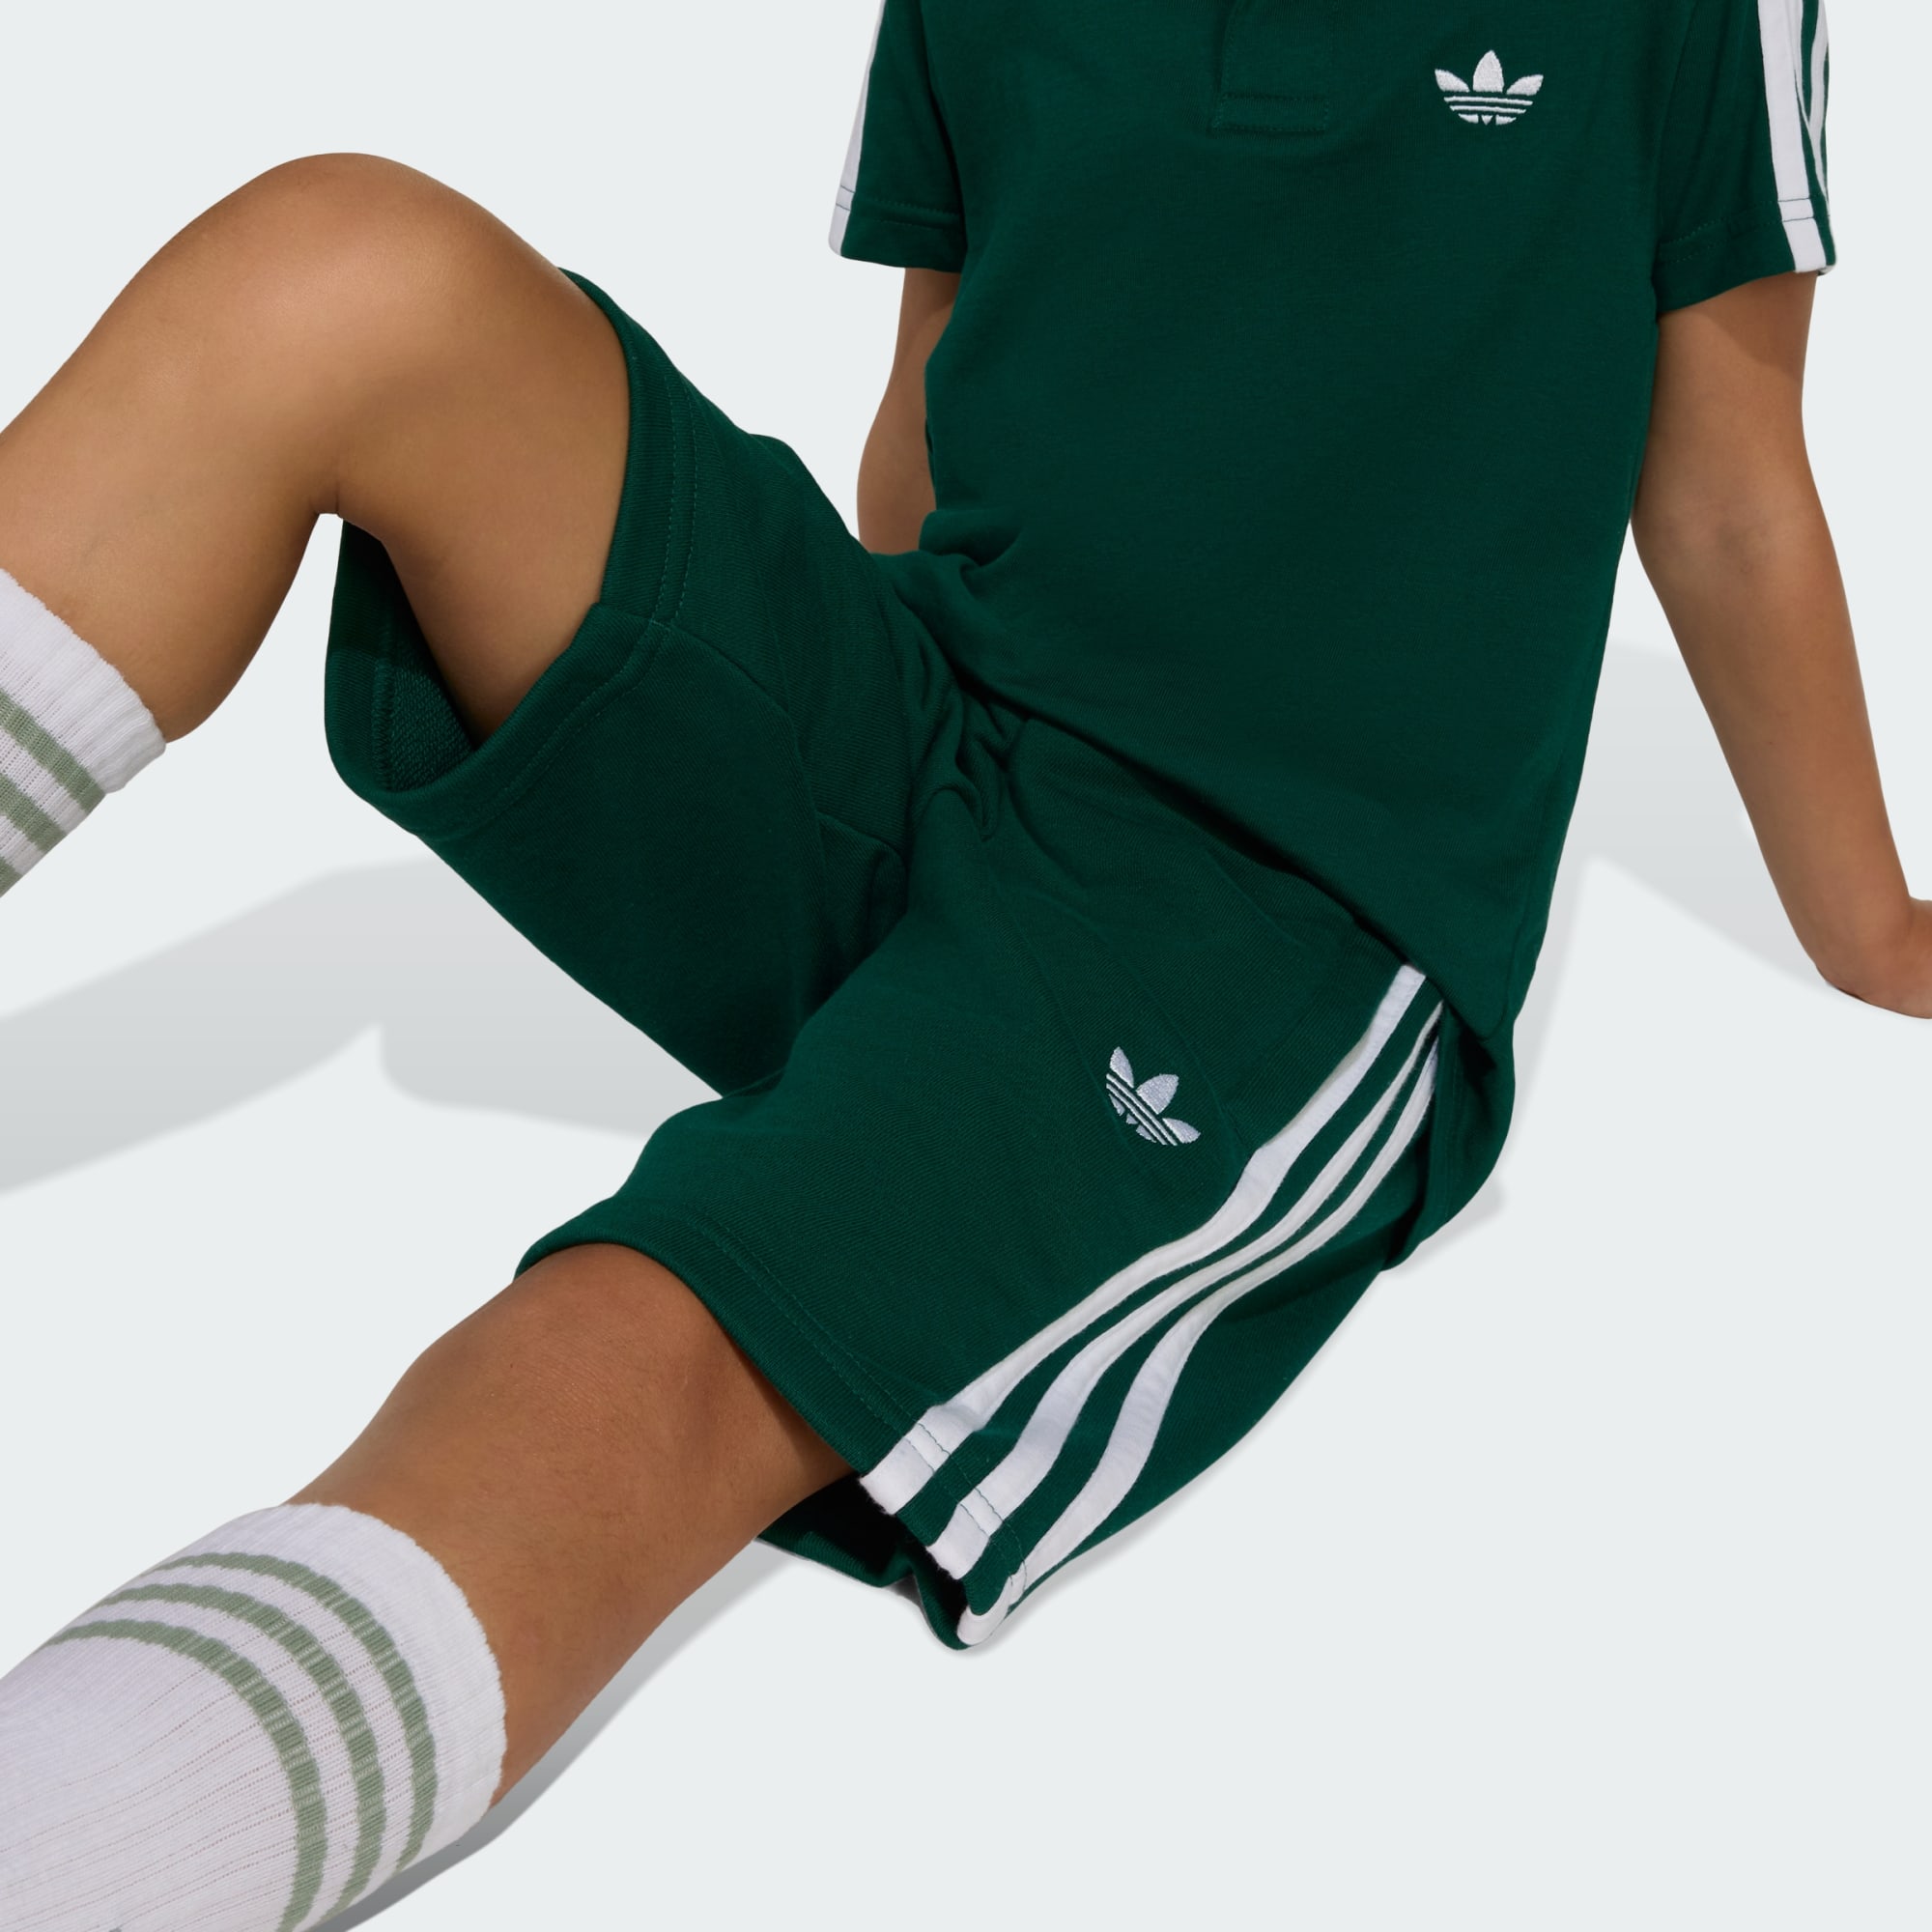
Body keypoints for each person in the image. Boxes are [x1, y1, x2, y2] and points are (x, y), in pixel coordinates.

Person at [1, 2, 1922, 1926]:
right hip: (941, 728)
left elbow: (1728, 491)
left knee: (632, 1348)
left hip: (1261, 923)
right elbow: (929, 400)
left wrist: (1871, 930)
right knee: (346, 268)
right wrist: (849, 788)